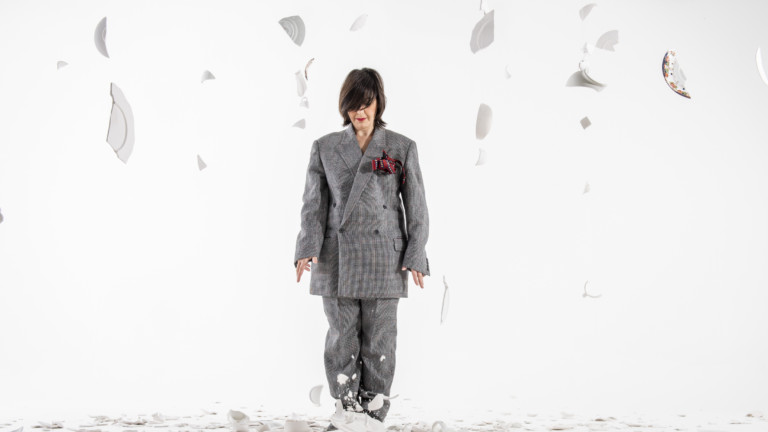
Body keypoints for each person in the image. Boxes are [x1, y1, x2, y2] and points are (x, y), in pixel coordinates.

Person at [293, 67, 430, 432]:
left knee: (380, 339)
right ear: (346, 107)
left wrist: (416, 252)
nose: (361, 111)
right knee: (341, 338)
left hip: (386, 259)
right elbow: (313, 205)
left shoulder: (401, 147)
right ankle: (346, 409)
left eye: (367, 103)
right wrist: (306, 247)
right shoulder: (324, 148)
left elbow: (416, 205)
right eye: (354, 104)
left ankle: (374, 413)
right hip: (337, 258)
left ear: (378, 103)